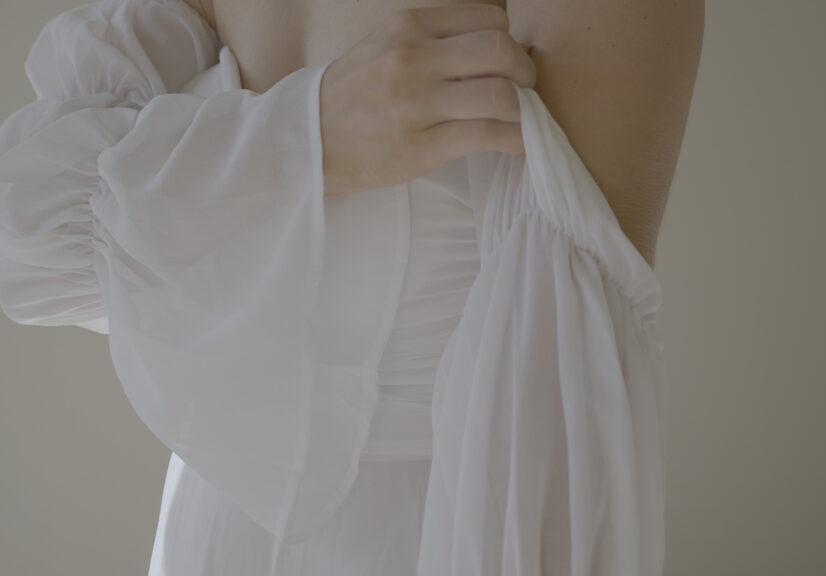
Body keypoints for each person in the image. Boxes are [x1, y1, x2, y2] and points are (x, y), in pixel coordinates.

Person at [0, 0, 702, 574]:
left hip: (450, 533)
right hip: (212, 536)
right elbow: (26, 243)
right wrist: (304, 138)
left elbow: (559, 394)